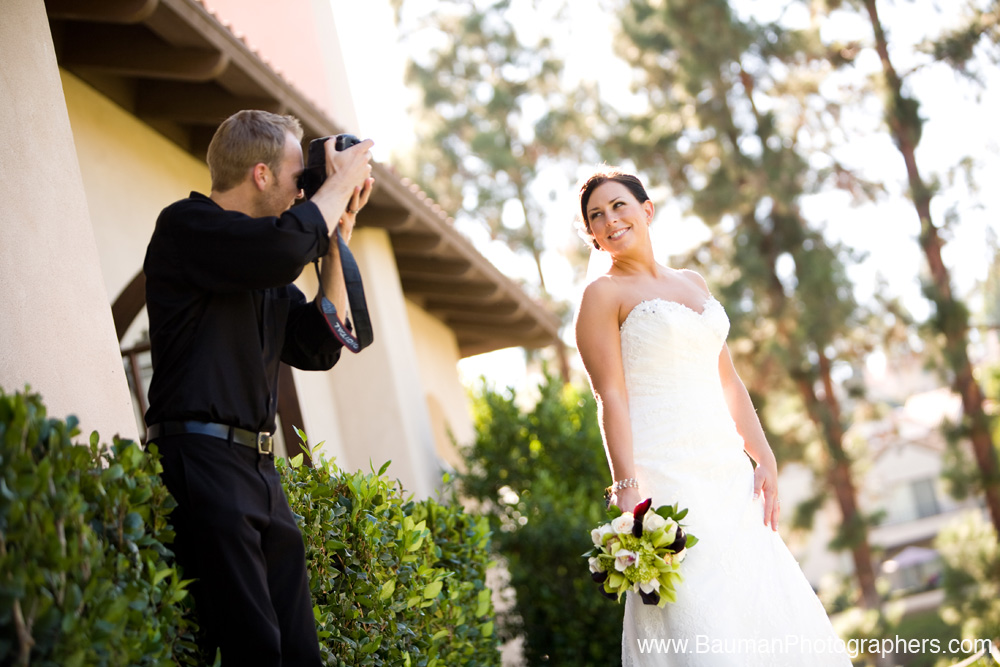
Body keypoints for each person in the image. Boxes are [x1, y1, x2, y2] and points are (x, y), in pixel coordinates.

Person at [574, 166, 851, 666]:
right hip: (667, 473)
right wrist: (628, 491)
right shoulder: (602, 297)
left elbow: (729, 380)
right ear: (593, 235)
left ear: (646, 209)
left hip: (725, 469)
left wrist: (761, 454)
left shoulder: (692, 282)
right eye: (597, 216)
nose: (610, 220)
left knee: (759, 598)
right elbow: (609, 397)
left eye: (619, 206)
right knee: (698, 608)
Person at [143, 109, 374, 665]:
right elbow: (278, 249)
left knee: (298, 651)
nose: (305, 190)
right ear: (262, 174)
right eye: (301, 177)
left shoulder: (264, 266)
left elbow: (319, 344)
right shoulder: (187, 226)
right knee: (255, 649)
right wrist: (338, 181)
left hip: (259, 472)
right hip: (200, 458)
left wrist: (338, 233)